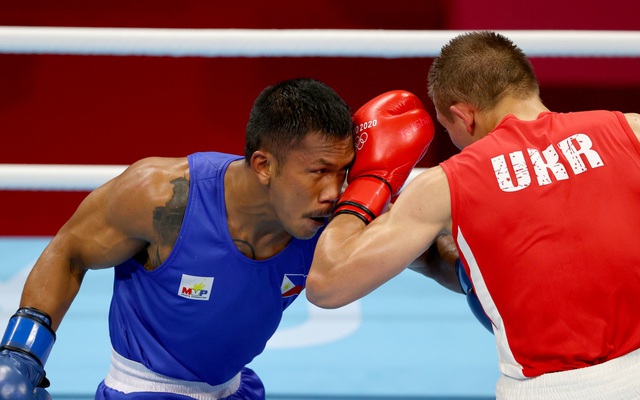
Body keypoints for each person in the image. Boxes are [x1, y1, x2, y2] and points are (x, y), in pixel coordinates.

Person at [306, 31, 640, 399]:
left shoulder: (446, 184)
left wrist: (368, 184)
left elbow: (327, 284)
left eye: (448, 129)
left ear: (463, 116)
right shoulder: (630, 130)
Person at [0, 78, 357, 399]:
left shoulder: (334, 216)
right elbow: (70, 251)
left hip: (236, 389)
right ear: (264, 165)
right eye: (319, 171)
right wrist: (21, 354)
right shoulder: (163, 197)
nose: (332, 191)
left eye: (343, 171)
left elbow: (412, 247)